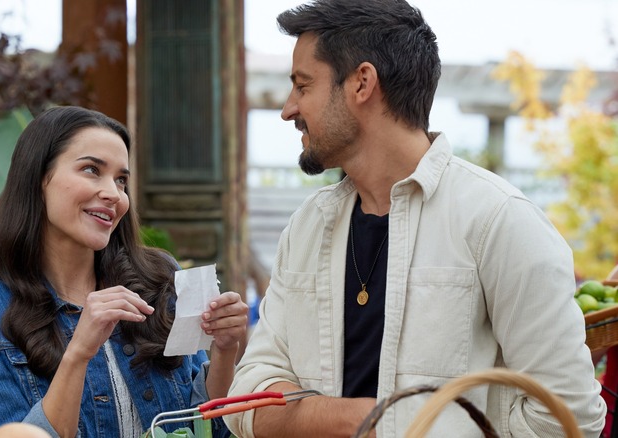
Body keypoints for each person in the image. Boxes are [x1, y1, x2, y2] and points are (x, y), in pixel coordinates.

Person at [225, 1, 606, 437]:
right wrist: (351, 420)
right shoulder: (308, 226)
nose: (289, 109)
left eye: (303, 85)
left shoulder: (499, 220)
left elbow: (567, 416)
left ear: (362, 83)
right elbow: (249, 393)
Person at [0, 106, 248, 438]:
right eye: (91, 169)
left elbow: (209, 428)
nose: (113, 194)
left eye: (121, 180)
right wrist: (79, 350)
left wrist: (224, 350)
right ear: (38, 178)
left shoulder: (159, 280)